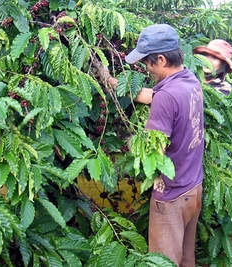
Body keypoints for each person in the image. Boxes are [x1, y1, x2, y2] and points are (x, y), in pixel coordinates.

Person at [93, 24, 204, 267]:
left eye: (147, 62)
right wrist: (109, 81)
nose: (146, 68)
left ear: (161, 59)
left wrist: (132, 145)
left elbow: (153, 152)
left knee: (161, 263)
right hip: (193, 188)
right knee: (186, 260)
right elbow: (153, 97)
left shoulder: (167, 96)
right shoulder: (189, 81)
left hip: (172, 196)